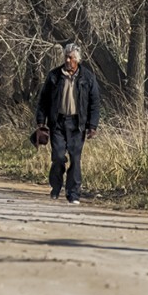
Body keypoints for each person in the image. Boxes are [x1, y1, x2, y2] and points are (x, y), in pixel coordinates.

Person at [35, 43, 100, 204]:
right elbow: (43, 100)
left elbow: (95, 103)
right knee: (58, 157)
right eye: (66, 56)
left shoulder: (88, 77)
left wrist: (92, 125)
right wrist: (41, 122)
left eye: (71, 57)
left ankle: (74, 194)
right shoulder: (54, 76)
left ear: (77, 59)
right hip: (57, 123)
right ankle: (56, 187)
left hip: (78, 125)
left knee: (75, 158)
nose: (67, 59)